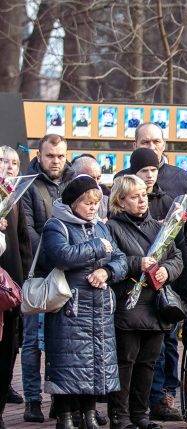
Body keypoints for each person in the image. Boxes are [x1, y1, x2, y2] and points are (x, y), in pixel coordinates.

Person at [41, 175, 127, 429]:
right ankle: (66, 415)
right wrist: (98, 248)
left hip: (99, 306)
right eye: (87, 203)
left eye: (96, 203)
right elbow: (62, 256)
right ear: (73, 202)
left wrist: (107, 272)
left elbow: (120, 259)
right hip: (71, 305)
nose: (93, 208)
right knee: (69, 360)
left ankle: (90, 413)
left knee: (94, 361)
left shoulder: (101, 227)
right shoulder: (56, 225)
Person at [106, 175, 183, 429]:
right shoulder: (112, 227)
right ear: (121, 200)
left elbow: (176, 257)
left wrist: (168, 271)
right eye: (135, 196)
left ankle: (141, 414)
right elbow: (108, 260)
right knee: (125, 362)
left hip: (155, 305)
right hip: (128, 303)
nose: (142, 200)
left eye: (144, 195)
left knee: (148, 363)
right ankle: (121, 415)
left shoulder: (157, 226)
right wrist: (135, 263)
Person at [19, 134, 74, 423]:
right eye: (50, 155)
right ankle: (32, 400)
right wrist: (58, 253)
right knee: (32, 343)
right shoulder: (26, 183)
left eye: (60, 155)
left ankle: (60, 400)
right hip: (39, 274)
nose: (55, 161)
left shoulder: (74, 181)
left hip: (70, 274)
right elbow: (27, 231)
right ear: (39, 154)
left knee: (62, 341)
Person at [0, 149, 31, 426]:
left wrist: (21, 286)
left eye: (14, 163)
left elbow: (23, 244)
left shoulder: (16, 199)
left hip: (8, 290)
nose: (9, 167)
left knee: (9, 346)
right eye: (2, 161)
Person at [116, 123, 187, 202]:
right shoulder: (121, 178)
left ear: (164, 145)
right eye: (145, 142)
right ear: (135, 146)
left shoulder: (182, 177)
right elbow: (114, 212)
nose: (151, 147)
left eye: (156, 141)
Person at [129, 148, 173, 221]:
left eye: (153, 170)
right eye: (144, 171)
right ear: (134, 173)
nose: (149, 175)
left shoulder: (166, 201)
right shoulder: (125, 200)